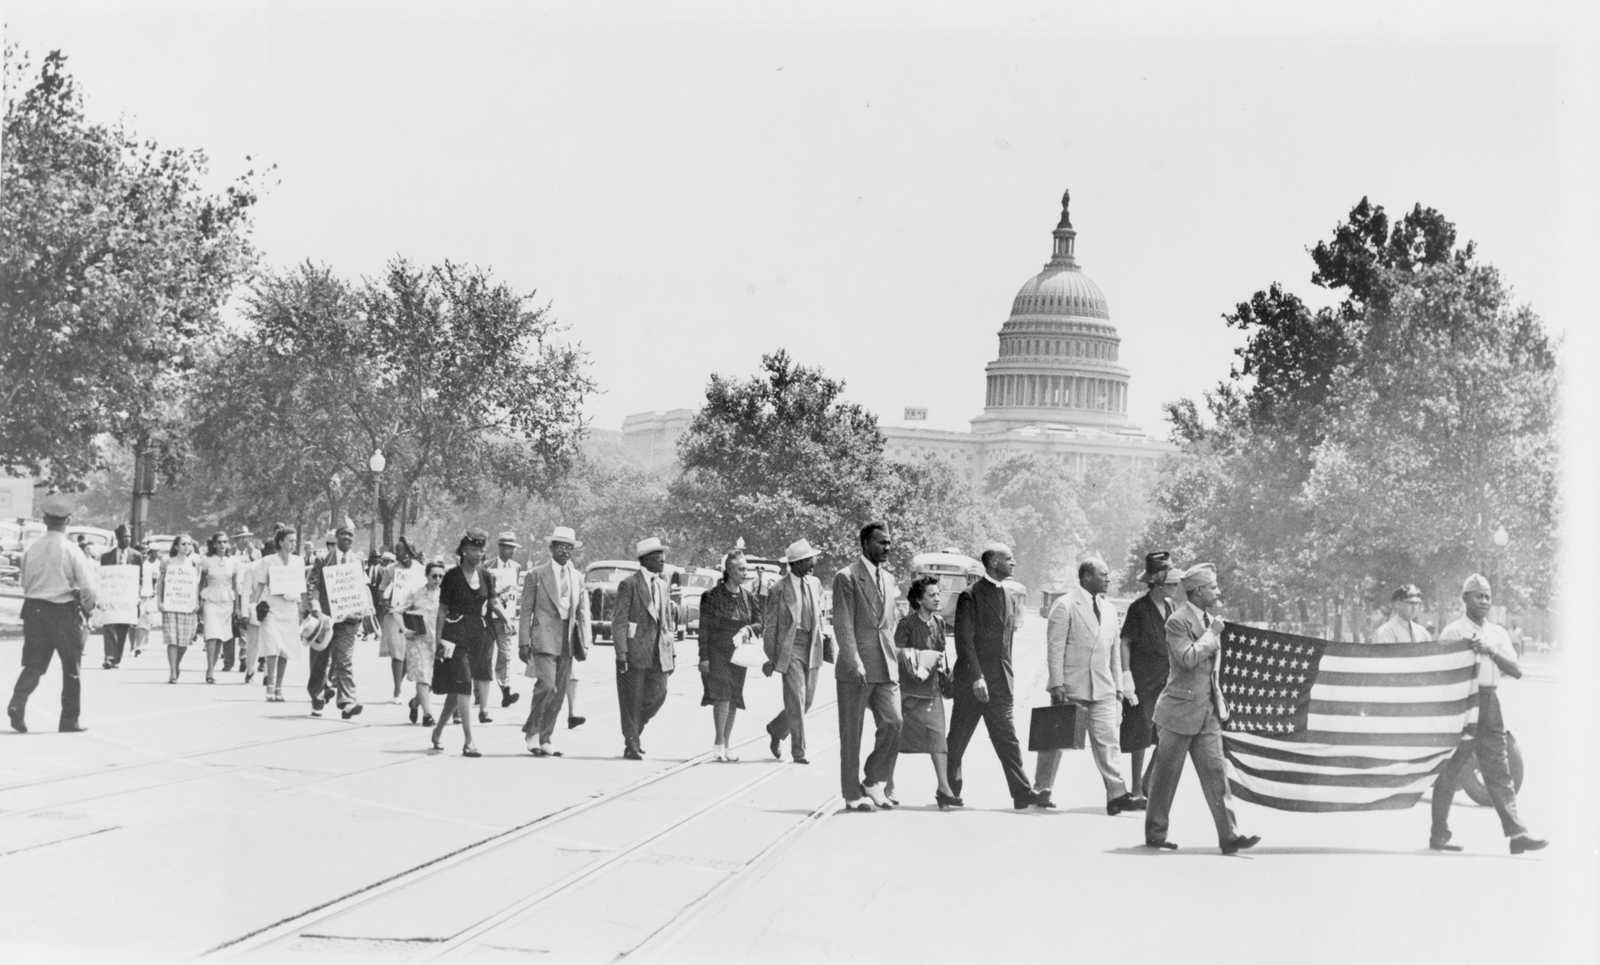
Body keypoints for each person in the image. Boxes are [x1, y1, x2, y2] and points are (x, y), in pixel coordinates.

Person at [1143, 563, 1258, 854]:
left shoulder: (1211, 620)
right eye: (1212, 588)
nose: (1217, 592)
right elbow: (1187, 658)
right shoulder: (1177, 622)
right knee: (1166, 778)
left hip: (1207, 712)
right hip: (1177, 713)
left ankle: (1229, 835)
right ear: (1196, 591)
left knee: (1216, 776)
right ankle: (1156, 833)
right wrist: (1211, 635)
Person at [1429, 573, 1547, 854]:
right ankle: (1439, 833)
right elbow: (1440, 671)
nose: (1483, 601)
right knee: (1452, 767)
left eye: (1487, 596)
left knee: (1499, 768)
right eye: (1477, 595)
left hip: (1489, 701)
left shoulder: (1497, 634)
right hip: (1461, 701)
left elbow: (1516, 671)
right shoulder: (1453, 631)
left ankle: (1517, 834)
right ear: (1464, 598)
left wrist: (1490, 651)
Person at [1034, 557, 1138, 814]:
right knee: (1056, 740)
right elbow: (1055, 648)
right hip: (1071, 685)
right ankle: (1041, 789)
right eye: (1103, 574)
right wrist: (1057, 683)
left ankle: (1116, 793)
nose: (1108, 579)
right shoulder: (1066, 605)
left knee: (1107, 740)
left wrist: (1117, 688)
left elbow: (1113, 652)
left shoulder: (1110, 609)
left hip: (1102, 687)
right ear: (1086, 577)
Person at [947, 542, 1037, 809]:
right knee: (958, 739)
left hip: (999, 683)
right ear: (993, 562)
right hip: (973, 682)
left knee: (1006, 737)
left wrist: (1007, 678)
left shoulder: (1008, 597)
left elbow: (1006, 644)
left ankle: (1022, 793)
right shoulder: (970, 596)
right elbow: (964, 641)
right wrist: (977, 677)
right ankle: (949, 791)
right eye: (1008, 559)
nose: (1014, 563)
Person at [8, 494, 98, 734]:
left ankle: (17, 702)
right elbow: (88, 587)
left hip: (34, 610)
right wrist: (88, 608)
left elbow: (25, 582)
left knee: (34, 665)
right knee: (71, 668)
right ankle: (69, 720)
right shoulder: (72, 550)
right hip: (63, 612)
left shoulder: (32, 549)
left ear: (45, 519)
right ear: (67, 520)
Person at [831, 523, 903, 811]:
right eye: (880, 543)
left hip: (885, 665)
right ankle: (852, 793)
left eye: (888, 542)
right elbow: (843, 622)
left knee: (894, 722)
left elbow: (889, 623)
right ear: (864, 544)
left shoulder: (888, 577)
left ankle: (874, 780)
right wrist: (853, 659)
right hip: (856, 667)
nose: (886, 548)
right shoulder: (846, 577)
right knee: (852, 732)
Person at [430, 529, 503, 757]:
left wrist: (505, 618)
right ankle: (469, 741)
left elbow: (493, 602)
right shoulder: (451, 577)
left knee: (457, 690)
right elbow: (442, 611)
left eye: (481, 550)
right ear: (463, 551)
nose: (477, 554)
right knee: (463, 684)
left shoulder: (487, 576)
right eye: (472, 550)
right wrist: (438, 640)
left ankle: (438, 731)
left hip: (478, 636)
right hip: (455, 635)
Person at [518, 526, 590, 757]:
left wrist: (585, 641)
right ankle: (532, 732)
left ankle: (546, 737)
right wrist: (523, 641)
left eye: (569, 547)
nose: (565, 551)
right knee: (546, 686)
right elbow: (526, 610)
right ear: (551, 548)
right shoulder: (536, 575)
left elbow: (583, 613)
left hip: (567, 640)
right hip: (543, 638)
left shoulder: (578, 577)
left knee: (558, 692)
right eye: (561, 546)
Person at [762, 538, 830, 765]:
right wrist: (771, 657)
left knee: (807, 701)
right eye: (808, 560)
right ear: (796, 563)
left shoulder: (815, 584)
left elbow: (820, 617)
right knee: (796, 699)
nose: (812, 563)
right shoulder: (778, 589)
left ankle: (777, 728)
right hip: (790, 648)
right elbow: (770, 627)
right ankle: (799, 751)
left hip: (812, 646)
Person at [1119, 551, 1180, 802]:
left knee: (1166, 732)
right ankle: (1135, 789)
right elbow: (1125, 643)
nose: (1175, 588)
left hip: (1167, 679)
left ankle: (1149, 779)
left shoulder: (1171, 606)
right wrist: (1126, 676)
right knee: (1140, 731)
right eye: (1171, 584)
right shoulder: (1138, 608)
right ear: (1157, 583)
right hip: (1142, 679)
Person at [895, 575, 959, 807]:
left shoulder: (939, 623)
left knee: (938, 738)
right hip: (909, 693)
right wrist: (923, 659)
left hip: (932, 692)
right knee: (896, 738)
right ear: (919, 600)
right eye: (931, 595)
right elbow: (898, 654)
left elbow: (943, 654)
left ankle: (944, 787)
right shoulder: (906, 624)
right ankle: (889, 785)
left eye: (938, 594)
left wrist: (946, 676)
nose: (937, 598)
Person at [612, 537, 678, 760]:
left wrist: (672, 653)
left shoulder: (662, 584)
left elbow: (666, 621)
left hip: (658, 653)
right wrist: (621, 653)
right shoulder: (629, 584)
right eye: (658, 558)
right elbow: (619, 621)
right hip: (634, 652)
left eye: (663, 557)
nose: (662, 561)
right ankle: (631, 743)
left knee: (659, 694)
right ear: (646, 560)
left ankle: (634, 732)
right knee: (632, 698)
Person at [698, 548, 763, 761]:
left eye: (746, 568)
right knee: (722, 695)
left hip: (740, 654)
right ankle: (718, 742)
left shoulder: (749, 597)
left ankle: (727, 743)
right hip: (717, 653)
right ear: (729, 570)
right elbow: (704, 629)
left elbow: (760, 623)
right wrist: (704, 657)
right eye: (740, 569)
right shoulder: (711, 596)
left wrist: (747, 630)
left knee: (734, 696)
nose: (745, 572)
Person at [308, 526, 364, 719]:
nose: (347, 538)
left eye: (350, 535)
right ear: (336, 537)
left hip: (348, 620)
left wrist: (362, 609)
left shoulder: (357, 561)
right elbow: (313, 586)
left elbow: (360, 588)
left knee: (344, 660)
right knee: (319, 661)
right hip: (326, 618)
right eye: (343, 535)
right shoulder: (324, 559)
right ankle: (317, 696)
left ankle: (347, 701)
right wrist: (316, 609)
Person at [251, 526, 306, 703]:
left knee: (285, 649)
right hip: (272, 607)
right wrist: (253, 605)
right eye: (289, 540)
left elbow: (301, 586)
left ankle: (279, 687)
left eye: (294, 541)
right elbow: (260, 584)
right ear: (280, 542)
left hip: (289, 608)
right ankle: (270, 685)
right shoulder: (268, 561)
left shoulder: (298, 561)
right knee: (272, 646)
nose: (293, 544)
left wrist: (303, 608)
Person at [381, 539, 426, 702]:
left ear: (410, 551)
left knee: (410, 653)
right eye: (397, 551)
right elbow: (381, 589)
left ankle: (399, 682)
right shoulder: (391, 569)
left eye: (403, 551)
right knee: (397, 653)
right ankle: (397, 690)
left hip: (414, 615)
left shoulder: (420, 569)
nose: (400, 554)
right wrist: (385, 602)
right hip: (395, 615)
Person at [401, 560, 445, 727]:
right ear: (427, 576)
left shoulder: (445, 595)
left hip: (437, 641)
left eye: (441, 576)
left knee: (432, 681)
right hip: (419, 642)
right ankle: (428, 715)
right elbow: (398, 611)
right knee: (422, 676)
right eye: (434, 576)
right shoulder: (415, 593)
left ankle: (415, 703)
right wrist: (404, 628)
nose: (437, 579)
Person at [485, 531, 525, 712]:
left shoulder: (516, 567)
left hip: (507, 617)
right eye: (508, 548)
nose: (511, 551)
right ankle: (479, 691)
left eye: (513, 548)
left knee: (506, 654)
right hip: (489, 616)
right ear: (501, 548)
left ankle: (505, 689)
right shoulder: (488, 566)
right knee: (485, 654)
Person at [158, 535, 203, 685]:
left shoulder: (195, 564)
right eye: (183, 544)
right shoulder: (167, 562)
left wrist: (197, 601)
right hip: (171, 604)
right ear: (176, 546)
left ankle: (177, 663)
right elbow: (161, 583)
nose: (186, 546)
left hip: (187, 605)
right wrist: (160, 601)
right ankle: (172, 671)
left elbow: (196, 585)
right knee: (172, 639)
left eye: (189, 544)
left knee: (184, 641)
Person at [99, 524, 141, 669]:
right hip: (111, 596)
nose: (127, 540)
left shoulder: (136, 556)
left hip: (127, 599)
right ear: (117, 538)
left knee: (122, 627)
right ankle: (109, 656)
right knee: (109, 625)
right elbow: (103, 578)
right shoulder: (106, 557)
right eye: (124, 537)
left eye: (129, 537)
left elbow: (138, 579)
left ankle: (116, 657)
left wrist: (138, 596)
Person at [198, 532, 238, 684]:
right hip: (210, 599)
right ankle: (209, 670)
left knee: (220, 636)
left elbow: (235, 586)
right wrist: (199, 601)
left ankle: (212, 669)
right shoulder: (207, 561)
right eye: (219, 542)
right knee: (211, 634)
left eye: (225, 542)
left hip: (227, 601)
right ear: (214, 544)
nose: (222, 545)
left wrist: (237, 607)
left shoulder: (233, 562)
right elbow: (201, 583)